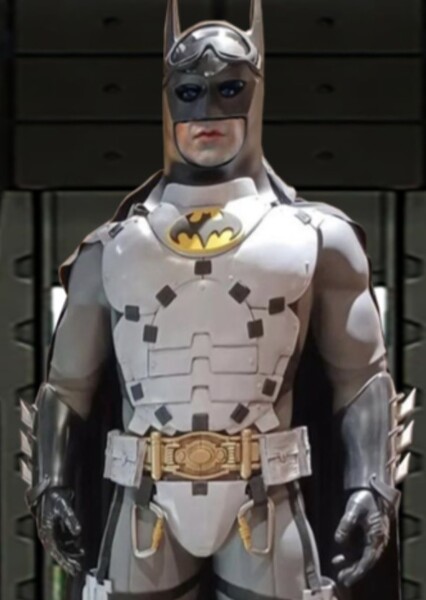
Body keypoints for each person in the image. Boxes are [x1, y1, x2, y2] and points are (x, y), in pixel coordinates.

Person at [20, 1, 414, 599]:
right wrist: (52, 482)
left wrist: (370, 484)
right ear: (168, 99)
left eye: (229, 90)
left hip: (266, 495)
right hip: (144, 499)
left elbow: (360, 377)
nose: (208, 111)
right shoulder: (112, 248)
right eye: (190, 93)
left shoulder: (317, 237)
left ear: (257, 95)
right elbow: (68, 384)